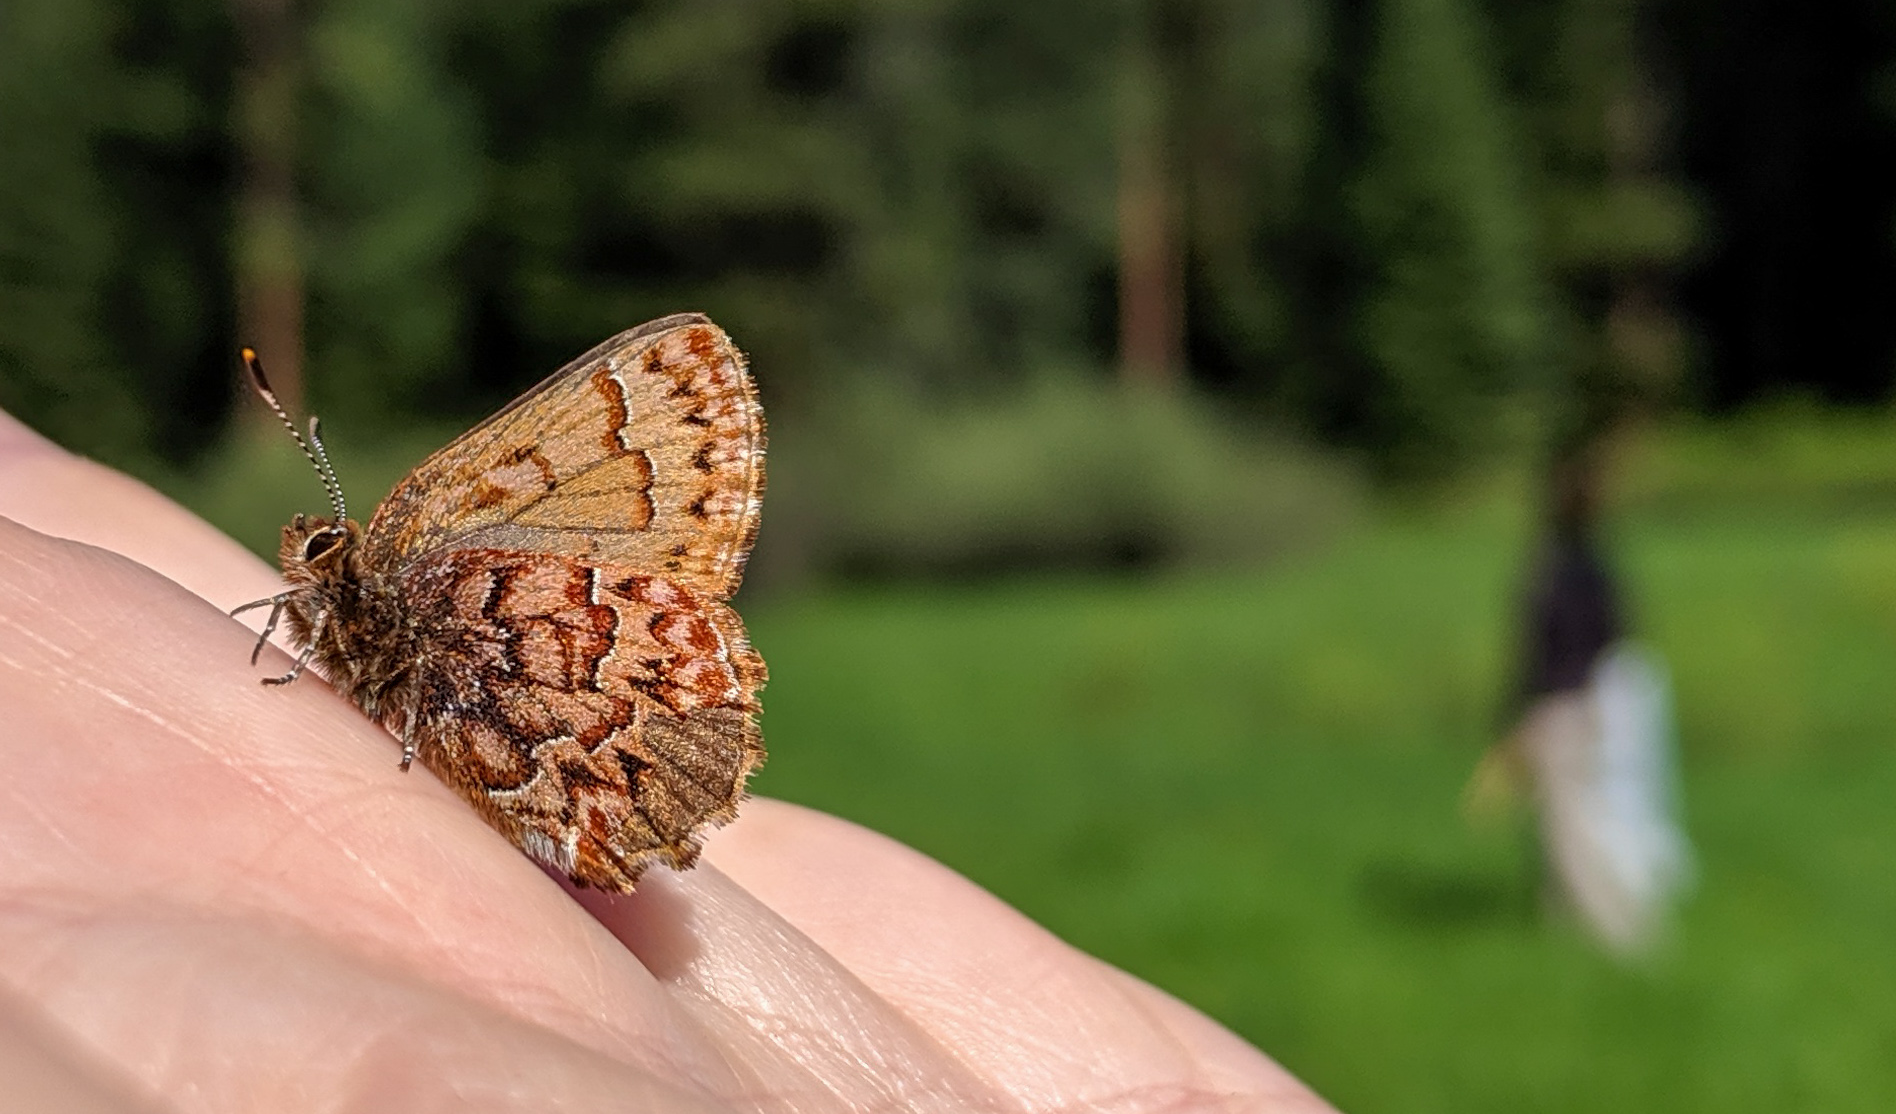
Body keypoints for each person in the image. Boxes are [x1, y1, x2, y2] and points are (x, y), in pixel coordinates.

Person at [0, 408, 1329, 1113]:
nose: (310, 582)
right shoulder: (370, 586)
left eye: (324, 574)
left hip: (605, 703)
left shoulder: (408, 557)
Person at [1471, 445, 1693, 955]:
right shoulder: (1599, 567)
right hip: (1594, 701)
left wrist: (1513, 714)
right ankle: (1565, 934)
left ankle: (1626, 932)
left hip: (1559, 705)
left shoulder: (1551, 571)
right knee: (1566, 821)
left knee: (1572, 824)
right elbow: (1621, 636)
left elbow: (1533, 649)